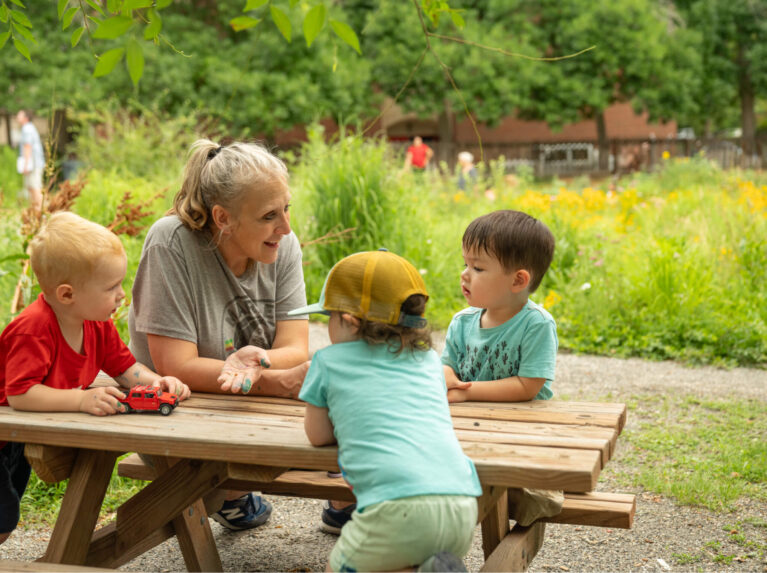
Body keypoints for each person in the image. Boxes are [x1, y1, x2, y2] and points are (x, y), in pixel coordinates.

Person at [128, 139, 310, 531]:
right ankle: (226, 492)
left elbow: (295, 347)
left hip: (242, 406)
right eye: (268, 216)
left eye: (286, 209)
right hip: (178, 413)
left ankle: (239, 493)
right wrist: (275, 382)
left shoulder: (284, 244)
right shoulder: (170, 243)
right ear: (223, 217)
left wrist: (258, 365)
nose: (286, 227)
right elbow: (175, 366)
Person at [0, 212, 191, 547]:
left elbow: (124, 369)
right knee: (2, 520)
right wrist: (80, 399)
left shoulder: (96, 323)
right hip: (7, 431)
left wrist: (154, 382)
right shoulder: (34, 330)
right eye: (111, 287)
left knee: (4, 519)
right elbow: (21, 394)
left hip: (15, 436)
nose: (122, 296)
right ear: (67, 294)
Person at [289, 250, 481, 572]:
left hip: (396, 509)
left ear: (349, 321)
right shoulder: (430, 362)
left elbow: (318, 435)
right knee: (402, 560)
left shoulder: (328, 361)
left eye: (329, 317)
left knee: (340, 568)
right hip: (461, 505)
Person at [441, 209, 564, 525]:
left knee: (530, 492)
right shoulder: (462, 323)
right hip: (471, 430)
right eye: (465, 264)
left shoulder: (535, 325)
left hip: (521, 432)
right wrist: (448, 379)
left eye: (478, 267)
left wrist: (466, 393)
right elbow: (445, 368)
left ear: (518, 280)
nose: (465, 274)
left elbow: (528, 386)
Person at [15, 109, 45, 212]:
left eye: (20, 115)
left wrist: (26, 165)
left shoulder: (27, 128)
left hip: (34, 164)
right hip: (34, 163)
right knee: (31, 188)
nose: (17, 117)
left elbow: (28, 147)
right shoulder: (28, 128)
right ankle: (36, 213)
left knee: (35, 188)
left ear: (26, 118)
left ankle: (42, 213)